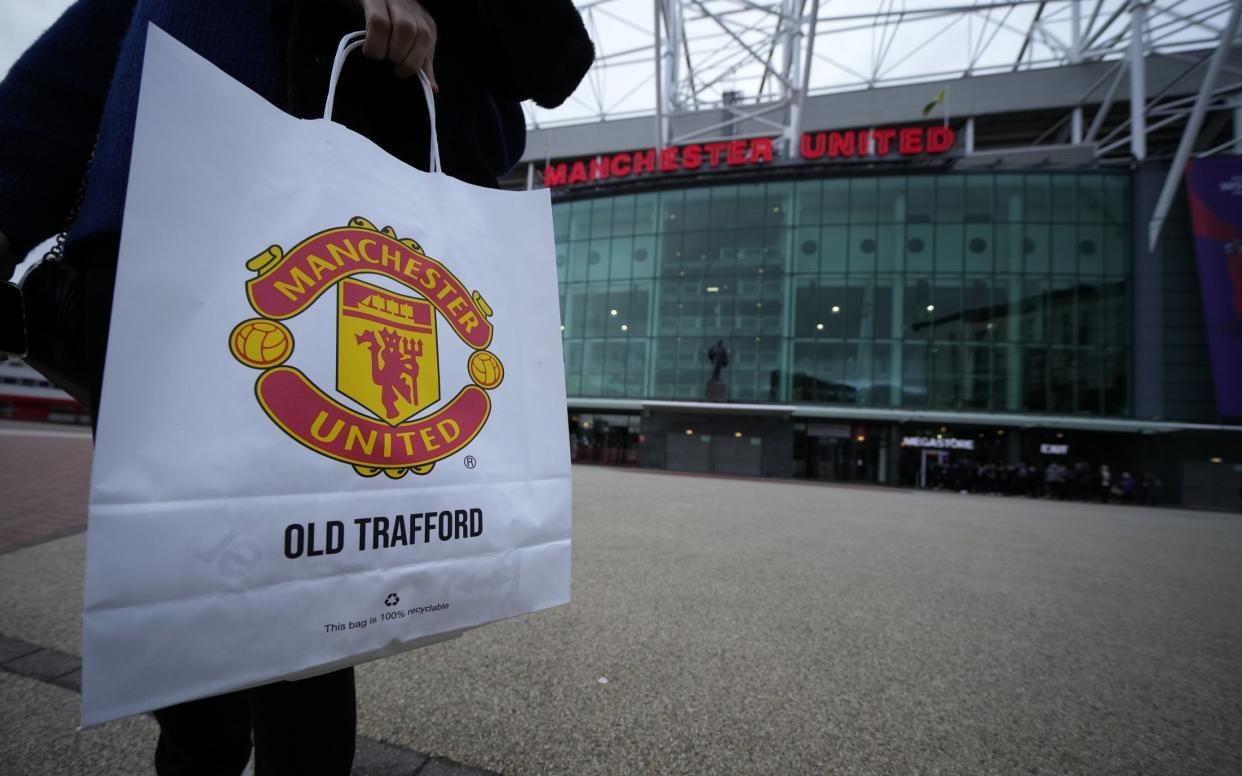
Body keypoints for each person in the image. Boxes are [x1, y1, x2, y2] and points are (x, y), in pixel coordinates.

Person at [0, 2, 593, 774]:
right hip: (170, 227)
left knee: (302, 604)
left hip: (363, 227)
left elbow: (552, 60)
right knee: (190, 565)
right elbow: (87, 56)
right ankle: (195, 751)